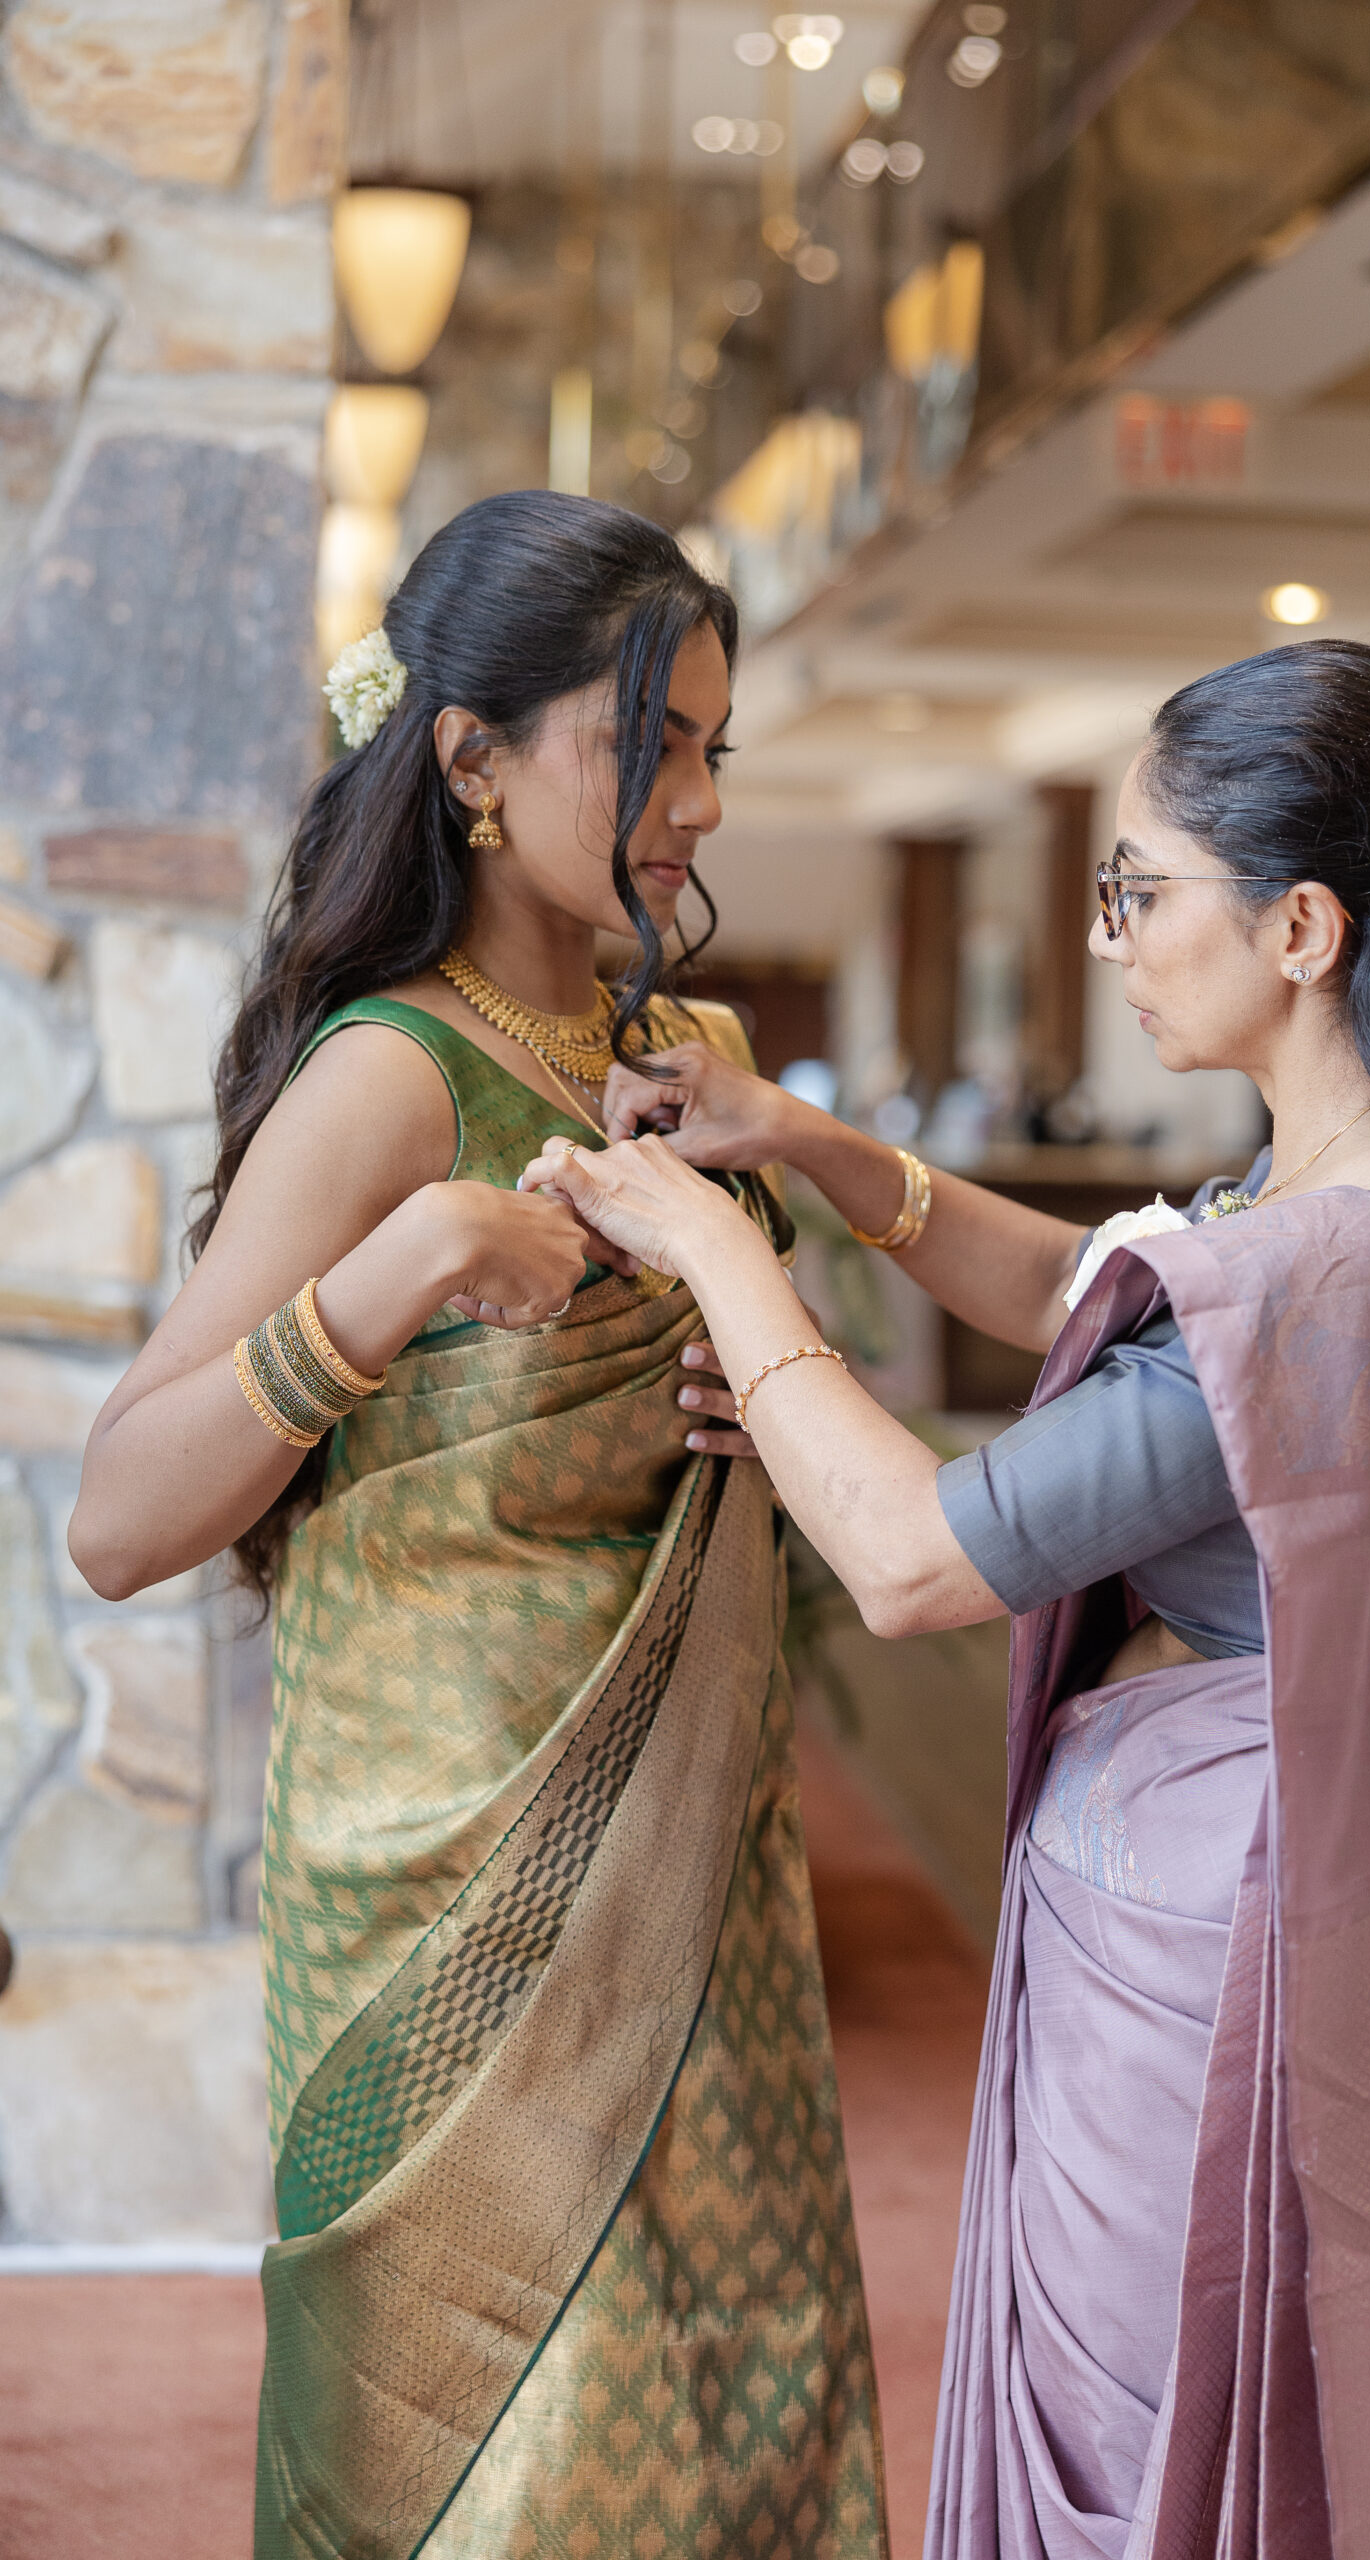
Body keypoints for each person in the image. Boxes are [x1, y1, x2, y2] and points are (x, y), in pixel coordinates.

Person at [529, 638, 1370, 2560]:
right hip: (1280, 1941)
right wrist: (806, 1148)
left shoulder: (1325, 1269)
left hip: (1209, 1986)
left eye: (1141, 889)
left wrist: (714, 1253)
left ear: (1301, 926)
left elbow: (913, 1557)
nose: (1114, 937)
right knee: (1268, 2430)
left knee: (1165, 2473)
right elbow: (1110, 1298)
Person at [68, 493, 888, 2560]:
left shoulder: (685, 1056)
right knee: (493, 2464)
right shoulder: (388, 1082)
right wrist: (405, 1262)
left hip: (696, 1845)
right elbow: (118, 1511)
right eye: (651, 745)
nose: (698, 799)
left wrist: (743, 1397)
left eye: (717, 744)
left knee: (716, 2393)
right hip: (444, 1889)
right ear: (470, 758)